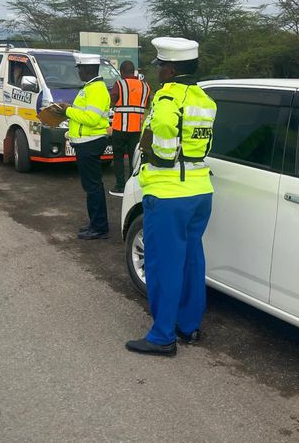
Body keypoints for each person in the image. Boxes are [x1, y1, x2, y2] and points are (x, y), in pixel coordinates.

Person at [125, 37, 217, 357]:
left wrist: (151, 148)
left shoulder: (168, 98)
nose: (158, 72)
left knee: (164, 264)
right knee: (192, 260)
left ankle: (163, 336)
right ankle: (188, 326)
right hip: (200, 190)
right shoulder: (204, 99)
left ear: (171, 68)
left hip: (168, 194)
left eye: (160, 66)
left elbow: (161, 133)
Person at [50, 53, 111, 240]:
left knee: (93, 186)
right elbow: (85, 113)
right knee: (91, 185)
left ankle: (99, 227)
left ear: (87, 69)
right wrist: (69, 108)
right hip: (86, 142)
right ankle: (95, 223)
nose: (78, 73)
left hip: (90, 142)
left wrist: (67, 111)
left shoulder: (97, 89)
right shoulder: (91, 87)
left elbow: (92, 119)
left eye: (79, 69)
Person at [108, 60, 151, 196]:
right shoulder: (145, 86)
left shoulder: (119, 84)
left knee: (119, 157)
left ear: (121, 72)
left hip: (120, 127)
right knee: (134, 158)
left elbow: (112, 101)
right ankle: (132, 186)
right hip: (137, 128)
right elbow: (148, 104)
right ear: (133, 72)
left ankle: (120, 186)